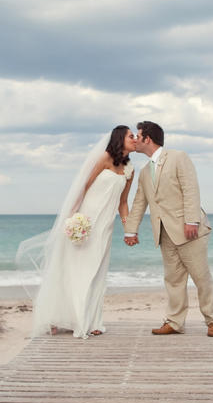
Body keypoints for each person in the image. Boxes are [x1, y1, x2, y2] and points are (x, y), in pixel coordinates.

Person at [17, 126, 136, 339]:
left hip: (105, 227)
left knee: (98, 273)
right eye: (131, 136)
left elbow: (123, 203)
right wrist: (72, 218)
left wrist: (129, 228)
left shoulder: (130, 170)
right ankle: (74, 320)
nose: (135, 139)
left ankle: (93, 320)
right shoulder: (104, 159)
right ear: (120, 138)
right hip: (85, 222)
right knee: (78, 270)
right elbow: (83, 187)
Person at [124, 121, 213, 337]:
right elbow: (140, 202)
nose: (135, 140)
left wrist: (192, 220)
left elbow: (190, 189)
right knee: (173, 280)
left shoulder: (178, 157)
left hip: (189, 230)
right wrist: (131, 230)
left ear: (147, 139)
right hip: (164, 233)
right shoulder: (143, 172)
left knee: (201, 277)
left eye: (137, 136)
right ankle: (175, 322)